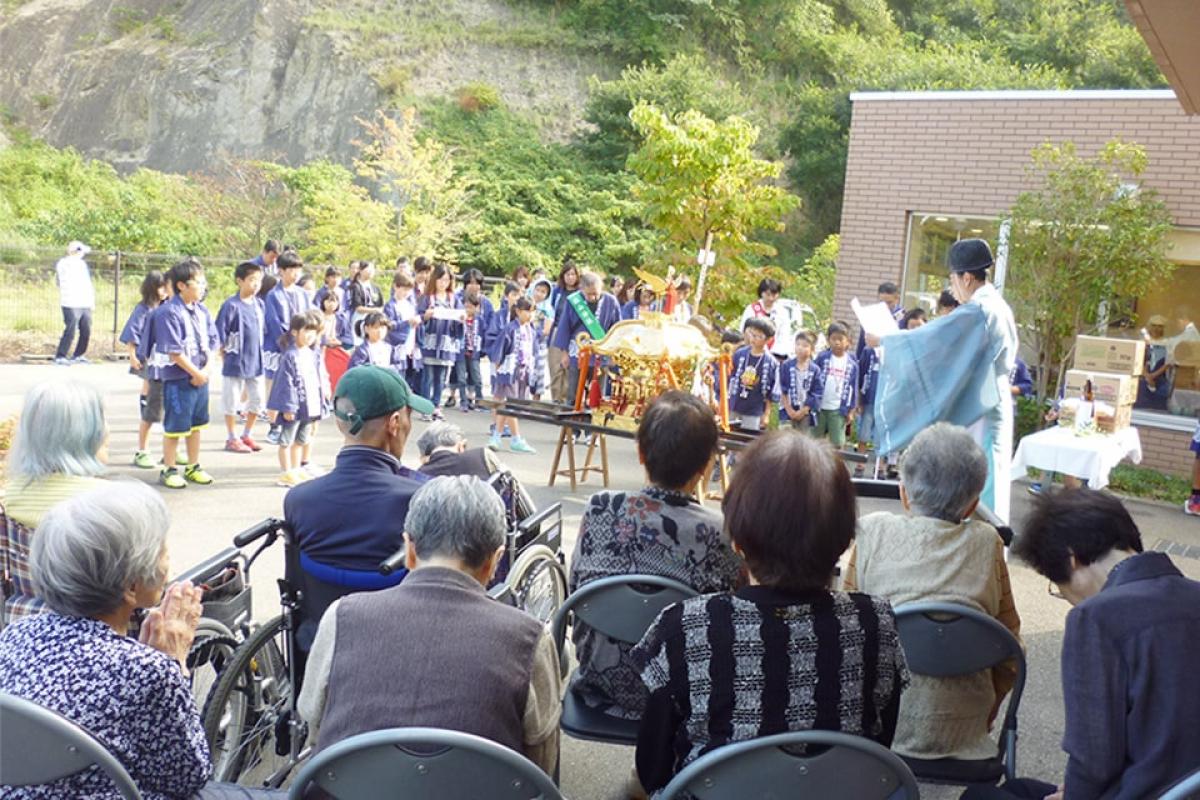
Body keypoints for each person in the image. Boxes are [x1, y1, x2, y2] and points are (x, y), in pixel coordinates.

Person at [631, 432, 909, 795]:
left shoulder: (684, 627)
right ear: (843, 543)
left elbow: (653, 770)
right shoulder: (877, 624)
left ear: (738, 540)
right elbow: (877, 748)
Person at [0, 482, 284, 799]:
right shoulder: (147, 670)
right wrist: (173, 665)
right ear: (131, 587)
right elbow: (188, 777)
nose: (168, 560)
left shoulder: (15, 635)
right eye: (162, 551)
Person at [297, 476, 562, 775]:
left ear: (409, 549)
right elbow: (541, 763)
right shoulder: (529, 639)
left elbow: (314, 725)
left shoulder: (341, 616)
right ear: (495, 560)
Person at [967, 489, 1200, 800]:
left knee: (979, 797)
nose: (1066, 597)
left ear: (1071, 559)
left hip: (1141, 790)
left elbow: (1094, 758)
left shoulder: (1096, 618)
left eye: (1058, 586)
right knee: (1017, 789)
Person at [843, 423, 1021, 762]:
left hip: (880, 732)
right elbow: (1010, 646)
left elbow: (847, 630)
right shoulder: (988, 543)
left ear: (904, 493)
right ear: (971, 507)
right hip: (967, 734)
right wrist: (989, 712)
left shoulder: (872, 531)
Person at [570, 391, 742, 721]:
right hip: (680, 695)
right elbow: (728, 617)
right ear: (707, 466)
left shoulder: (601, 508)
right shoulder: (720, 533)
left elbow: (576, 586)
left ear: (640, 452)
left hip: (598, 684)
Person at [872, 239, 1020, 522]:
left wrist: (887, 341)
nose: (952, 287)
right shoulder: (992, 306)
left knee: (982, 485)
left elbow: (934, 339)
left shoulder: (980, 311)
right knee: (986, 480)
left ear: (966, 277)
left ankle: (983, 552)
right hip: (987, 398)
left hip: (983, 406)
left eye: (952, 279)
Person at [283, 366, 433, 632]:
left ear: (341, 422)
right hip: (399, 643)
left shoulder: (298, 500)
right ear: (395, 423)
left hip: (319, 643)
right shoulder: (421, 498)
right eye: (410, 416)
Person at [2, 380, 109, 622]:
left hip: (23, 626)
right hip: (98, 634)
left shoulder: (9, 499)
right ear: (85, 433)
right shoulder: (113, 505)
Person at [150, 258, 219, 490]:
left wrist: (205, 371)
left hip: (201, 378)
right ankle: (169, 468)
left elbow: (213, 342)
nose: (202, 287)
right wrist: (195, 372)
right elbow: (174, 351)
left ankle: (193, 465)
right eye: (198, 282)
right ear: (181, 285)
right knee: (175, 426)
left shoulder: (202, 311)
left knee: (196, 425)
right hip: (178, 379)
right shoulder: (168, 312)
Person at [267, 312, 328, 487]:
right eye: (306, 330)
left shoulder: (312, 353)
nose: (310, 335)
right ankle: (286, 472)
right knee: (286, 440)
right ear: (295, 332)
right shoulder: (290, 356)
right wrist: (288, 407)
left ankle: (296, 468)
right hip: (294, 406)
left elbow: (317, 378)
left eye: (314, 332)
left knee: (301, 440)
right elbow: (286, 384)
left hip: (310, 405)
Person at [215, 261, 267, 455]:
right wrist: (222, 354)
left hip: (256, 361)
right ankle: (231, 437)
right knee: (231, 401)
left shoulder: (259, 304)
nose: (256, 284)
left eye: (259, 280)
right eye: (252, 280)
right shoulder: (231, 306)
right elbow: (220, 334)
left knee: (258, 400)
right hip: (236, 362)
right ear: (240, 281)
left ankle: (247, 433)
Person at [120, 271, 169, 468]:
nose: (165, 291)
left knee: (155, 389)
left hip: (161, 357)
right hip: (147, 356)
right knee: (148, 387)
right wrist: (132, 355)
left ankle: (153, 418)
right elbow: (132, 333)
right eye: (161, 287)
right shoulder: (143, 309)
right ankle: (147, 418)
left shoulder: (166, 307)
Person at [552, 272, 622, 404]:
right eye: (589, 294)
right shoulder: (574, 301)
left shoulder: (611, 301)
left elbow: (617, 328)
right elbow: (564, 328)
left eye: (596, 293)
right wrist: (564, 353)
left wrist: (614, 354)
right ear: (582, 290)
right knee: (573, 393)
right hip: (578, 352)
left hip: (600, 353)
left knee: (596, 395)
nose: (593, 297)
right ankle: (571, 422)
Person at [490, 297, 538, 454]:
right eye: (527, 311)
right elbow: (500, 350)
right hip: (509, 370)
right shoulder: (510, 328)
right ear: (518, 311)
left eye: (532, 312)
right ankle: (516, 438)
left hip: (522, 371)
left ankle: (496, 436)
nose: (530, 315)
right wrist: (497, 367)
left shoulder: (531, 330)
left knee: (509, 404)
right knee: (510, 404)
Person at [417, 263, 463, 419]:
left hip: (446, 343)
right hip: (431, 341)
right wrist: (426, 316)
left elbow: (459, 317)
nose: (444, 283)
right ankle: (425, 407)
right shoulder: (427, 298)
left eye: (447, 280)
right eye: (441, 280)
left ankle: (436, 405)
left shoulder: (453, 299)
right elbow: (420, 317)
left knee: (441, 377)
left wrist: (461, 319)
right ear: (435, 279)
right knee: (428, 376)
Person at [262, 251, 311, 389]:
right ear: (281, 271)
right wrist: (287, 344)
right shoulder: (273, 295)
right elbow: (273, 323)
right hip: (278, 348)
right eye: (291, 270)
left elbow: (308, 318)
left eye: (298, 270)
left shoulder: (303, 294)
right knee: (273, 387)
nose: (295, 274)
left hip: (300, 345)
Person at [727, 317, 778, 432]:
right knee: (729, 434)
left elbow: (770, 393)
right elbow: (729, 378)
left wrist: (766, 414)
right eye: (752, 334)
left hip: (754, 409)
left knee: (748, 439)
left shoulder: (770, 362)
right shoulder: (740, 354)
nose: (753, 339)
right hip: (735, 404)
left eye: (758, 336)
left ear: (768, 340)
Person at [813, 321, 859, 448]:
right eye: (833, 339)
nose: (837, 342)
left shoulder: (852, 364)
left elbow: (853, 389)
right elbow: (813, 379)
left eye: (840, 339)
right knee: (815, 440)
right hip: (819, 407)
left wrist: (851, 411)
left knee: (837, 443)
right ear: (828, 340)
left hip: (838, 409)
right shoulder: (822, 358)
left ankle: (835, 466)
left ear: (848, 342)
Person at [738, 277, 806, 359]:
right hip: (753, 351)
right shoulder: (752, 309)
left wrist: (775, 354)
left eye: (774, 295)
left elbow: (784, 335)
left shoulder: (782, 312)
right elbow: (744, 331)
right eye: (767, 294)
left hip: (775, 354)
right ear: (761, 293)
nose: (770, 298)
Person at [53, 240, 95, 365]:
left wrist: (91, 301)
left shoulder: (82, 264)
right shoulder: (64, 263)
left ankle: (79, 354)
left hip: (84, 301)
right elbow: (62, 280)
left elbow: (87, 283)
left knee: (86, 328)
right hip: (70, 301)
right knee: (70, 329)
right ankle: (61, 355)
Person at [776, 330, 824, 430]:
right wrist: (789, 410)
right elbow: (782, 389)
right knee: (785, 440)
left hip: (805, 412)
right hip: (787, 410)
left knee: (801, 441)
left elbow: (817, 393)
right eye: (798, 344)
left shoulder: (815, 370)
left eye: (805, 346)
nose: (800, 348)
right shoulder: (786, 366)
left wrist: (804, 410)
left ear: (812, 349)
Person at [383, 271, 423, 391]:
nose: (406, 293)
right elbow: (389, 325)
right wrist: (407, 322)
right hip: (397, 346)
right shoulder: (390, 305)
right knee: (397, 377)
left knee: (409, 377)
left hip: (410, 344)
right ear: (396, 286)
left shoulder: (410, 305)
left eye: (408, 289)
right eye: (404, 289)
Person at [856, 281, 905, 363]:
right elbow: (862, 342)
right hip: (872, 360)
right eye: (882, 302)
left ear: (897, 299)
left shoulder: (904, 318)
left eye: (889, 302)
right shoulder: (870, 315)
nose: (885, 306)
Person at [454, 292, 485, 412]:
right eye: (466, 306)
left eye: (471, 307)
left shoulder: (480, 320)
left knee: (477, 378)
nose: (468, 309)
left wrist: (482, 350)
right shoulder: (460, 319)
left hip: (474, 352)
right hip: (461, 352)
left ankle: (479, 401)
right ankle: (463, 401)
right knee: (461, 379)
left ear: (476, 307)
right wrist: (460, 323)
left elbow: (483, 335)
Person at [1137, 314, 1171, 410]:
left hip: (1160, 377)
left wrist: (1153, 376)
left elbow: (1168, 363)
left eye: (1159, 326)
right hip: (1143, 377)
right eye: (1154, 325)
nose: (1156, 329)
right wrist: (1146, 375)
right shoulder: (1143, 342)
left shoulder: (1167, 342)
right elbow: (1140, 359)